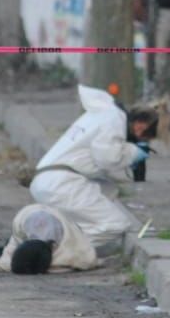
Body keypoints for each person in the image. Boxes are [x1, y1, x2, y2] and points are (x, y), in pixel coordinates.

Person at [28, 85, 159, 254]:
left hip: (48, 180)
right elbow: (107, 159)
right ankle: (60, 253)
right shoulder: (114, 120)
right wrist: (134, 152)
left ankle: (54, 242)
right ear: (140, 126)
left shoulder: (104, 114)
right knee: (115, 225)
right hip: (61, 184)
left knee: (108, 190)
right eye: (147, 138)